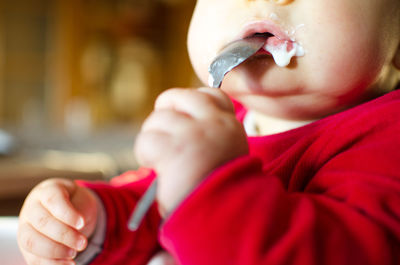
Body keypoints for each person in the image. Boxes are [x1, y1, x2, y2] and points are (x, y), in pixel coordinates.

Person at [17, 0, 400, 264]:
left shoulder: (390, 137)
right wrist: (93, 220)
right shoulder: (227, 120)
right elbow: (157, 209)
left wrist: (210, 185)